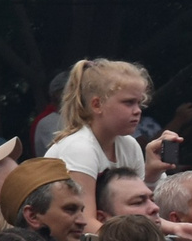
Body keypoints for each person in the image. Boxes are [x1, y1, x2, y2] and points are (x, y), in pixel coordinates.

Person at [46, 60, 151, 227]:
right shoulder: (80, 147)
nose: (138, 110)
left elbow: (145, 209)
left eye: (139, 102)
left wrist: (177, 228)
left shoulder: (130, 145)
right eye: (129, 102)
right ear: (97, 105)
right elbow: (85, 223)